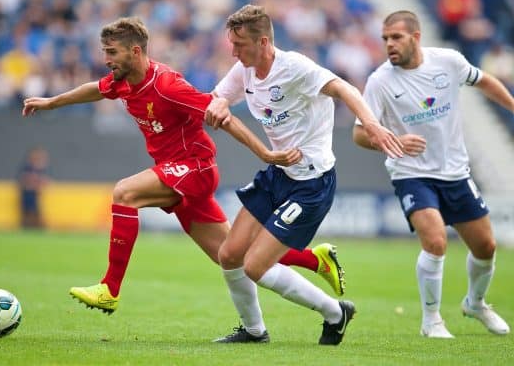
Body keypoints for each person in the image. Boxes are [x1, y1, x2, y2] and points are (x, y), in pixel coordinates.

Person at [21, 16, 347, 318]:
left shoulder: (167, 85)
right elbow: (96, 88)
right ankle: (313, 260)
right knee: (231, 254)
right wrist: (52, 102)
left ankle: (110, 288)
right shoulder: (122, 81)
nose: (106, 59)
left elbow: (222, 115)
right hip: (174, 172)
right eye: (104, 51)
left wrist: (264, 152)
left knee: (125, 193)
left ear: (135, 51)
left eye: (112, 52)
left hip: (195, 168)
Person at [205, 4, 404, 345]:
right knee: (228, 254)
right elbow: (217, 100)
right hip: (278, 173)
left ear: (264, 42)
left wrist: (371, 125)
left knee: (255, 266)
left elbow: (345, 89)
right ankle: (254, 331)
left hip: (311, 184)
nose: (234, 52)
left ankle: (335, 312)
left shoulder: (295, 68)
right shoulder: (244, 71)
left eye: (240, 45)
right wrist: (218, 104)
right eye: (232, 45)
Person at [353, 10, 513, 338]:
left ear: (416, 37)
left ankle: (476, 303)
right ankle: (432, 320)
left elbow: (483, 80)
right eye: (385, 39)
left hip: (455, 172)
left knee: (486, 246)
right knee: (436, 240)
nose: (389, 45)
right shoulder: (379, 81)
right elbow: (358, 133)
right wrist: (392, 141)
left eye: (396, 37)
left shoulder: (449, 62)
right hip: (411, 173)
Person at [17, 146, 50, 229]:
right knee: (28, 215)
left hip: (34, 196)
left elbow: (43, 183)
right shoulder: (28, 168)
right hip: (27, 196)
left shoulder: (38, 170)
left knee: (36, 214)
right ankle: (27, 228)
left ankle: (36, 228)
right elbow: (25, 181)